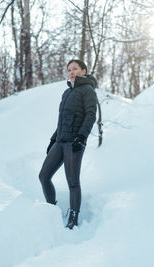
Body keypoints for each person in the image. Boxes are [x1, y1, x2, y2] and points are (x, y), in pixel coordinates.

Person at [39, 59, 98, 229]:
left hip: (74, 143)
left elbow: (90, 116)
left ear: (84, 71)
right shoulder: (67, 93)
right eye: (69, 69)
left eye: (75, 69)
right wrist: (53, 139)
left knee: (73, 182)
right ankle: (51, 210)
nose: (71, 72)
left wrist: (81, 137)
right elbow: (62, 120)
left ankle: (73, 218)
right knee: (44, 176)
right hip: (60, 140)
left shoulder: (87, 90)